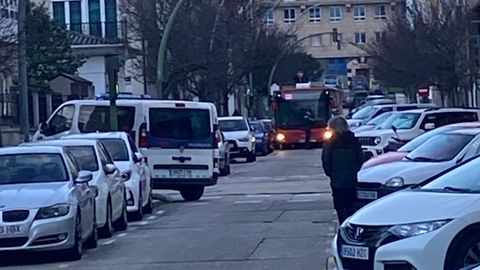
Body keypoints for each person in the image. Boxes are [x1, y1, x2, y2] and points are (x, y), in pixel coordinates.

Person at [322, 116, 363, 224]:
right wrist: (353, 170)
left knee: (340, 207)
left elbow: (326, 160)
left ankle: (342, 225)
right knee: (351, 206)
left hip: (337, 180)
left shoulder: (330, 143)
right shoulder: (353, 140)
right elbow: (360, 159)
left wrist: (331, 173)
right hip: (351, 179)